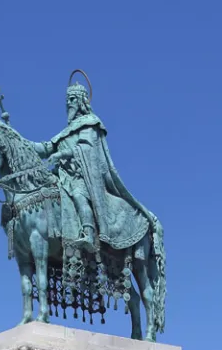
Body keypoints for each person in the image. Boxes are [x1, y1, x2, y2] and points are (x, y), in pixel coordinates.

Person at [33, 83, 161, 256]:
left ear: (81, 101)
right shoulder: (65, 132)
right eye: (67, 100)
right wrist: (19, 142)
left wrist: (62, 154)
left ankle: (88, 233)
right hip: (63, 176)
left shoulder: (90, 123)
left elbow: (87, 149)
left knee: (79, 195)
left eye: (72, 99)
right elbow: (45, 148)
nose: (68, 103)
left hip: (81, 177)